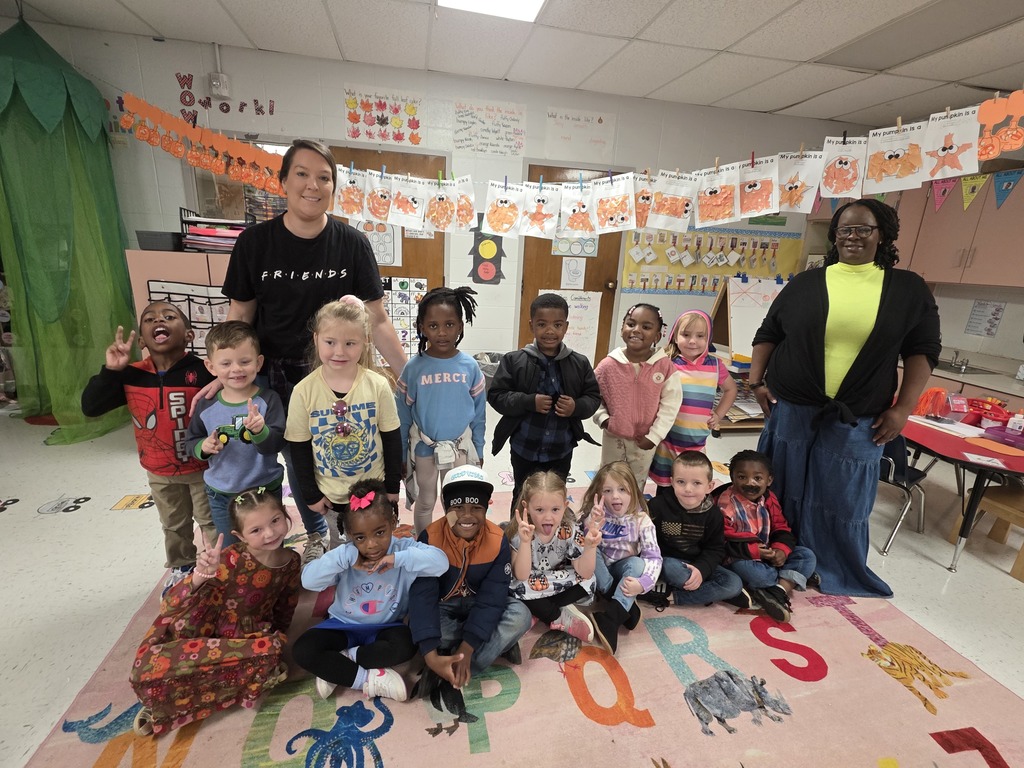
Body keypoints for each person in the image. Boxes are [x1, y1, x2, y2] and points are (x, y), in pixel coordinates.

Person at [212, 139, 408, 565]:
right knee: (289, 453)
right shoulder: (254, 242)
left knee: (348, 445)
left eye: (324, 177)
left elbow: (376, 319)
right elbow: (240, 313)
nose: (312, 185)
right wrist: (225, 371)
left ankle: (353, 526)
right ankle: (314, 532)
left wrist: (407, 373)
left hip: (340, 369)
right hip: (274, 372)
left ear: (333, 188)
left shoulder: (352, 243)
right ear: (282, 181)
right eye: (301, 173)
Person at [749, 198, 941, 598]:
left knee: (843, 496)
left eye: (863, 229)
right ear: (835, 236)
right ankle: (782, 557)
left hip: (861, 414)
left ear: (882, 234)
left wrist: (903, 409)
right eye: (845, 230)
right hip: (794, 409)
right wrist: (756, 382)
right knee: (782, 486)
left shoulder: (907, 289)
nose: (853, 237)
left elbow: (922, 351)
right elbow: (769, 334)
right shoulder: (806, 283)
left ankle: (832, 566)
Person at [129, 488, 301, 736]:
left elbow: (287, 605)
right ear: (239, 535)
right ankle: (165, 699)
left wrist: (278, 639)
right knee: (147, 664)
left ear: (285, 514)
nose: (271, 533)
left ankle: (174, 694)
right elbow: (169, 607)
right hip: (201, 629)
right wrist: (198, 577)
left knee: (271, 651)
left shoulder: (292, 561)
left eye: (275, 520)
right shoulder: (227, 559)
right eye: (256, 530)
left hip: (244, 635)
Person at [82, 301, 216, 590]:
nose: (160, 320)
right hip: (159, 470)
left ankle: (217, 566)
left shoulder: (204, 371)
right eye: (150, 318)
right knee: (174, 525)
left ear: (189, 335)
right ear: (142, 340)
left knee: (212, 522)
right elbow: (91, 407)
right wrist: (111, 371)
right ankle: (182, 569)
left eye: (170, 317)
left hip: (204, 467)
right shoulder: (130, 374)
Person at [294, 478, 448, 701]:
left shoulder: (404, 549)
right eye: (360, 537)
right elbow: (308, 581)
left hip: (385, 628)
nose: (371, 545)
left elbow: (440, 563)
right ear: (349, 534)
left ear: (393, 522)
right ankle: (367, 679)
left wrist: (398, 559)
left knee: (406, 645)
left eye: (379, 533)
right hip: (342, 625)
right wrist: (344, 557)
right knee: (303, 650)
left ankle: (339, 663)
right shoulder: (345, 555)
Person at [285, 298, 402, 557]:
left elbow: (392, 438)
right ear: (316, 339)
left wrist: (393, 486)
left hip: (376, 490)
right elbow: (299, 447)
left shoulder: (378, 385)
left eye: (350, 343)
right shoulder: (303, 392)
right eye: (330, 342)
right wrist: (311, 494)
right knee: (342, 549)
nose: (340, 352)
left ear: (364, 343)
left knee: (377, 543)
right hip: (332, 494)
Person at [409, 465, 532, 691]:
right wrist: (429, 655)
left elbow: (492, 598)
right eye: (458, 507)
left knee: (520, 616)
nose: (467, 515)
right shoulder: (430, 537)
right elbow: (422, 595)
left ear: (486, 509)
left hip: (480, 604)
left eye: (476, 507)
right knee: (417, 625)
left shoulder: (497, 540)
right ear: (446, 508)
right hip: (444, 607)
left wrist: (467, 647)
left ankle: (456, 669)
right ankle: (495, 644)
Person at [488, 292, 602, 515]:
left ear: (566, 327)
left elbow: (593, 397)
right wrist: (528, 401)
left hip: (561, 448)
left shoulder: (579, 362)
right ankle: (517, 537)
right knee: (523, 494)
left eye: (557, 324)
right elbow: (497, 396)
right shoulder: (514, 360)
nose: (550, 331)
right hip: (524, 447)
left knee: (555, 496)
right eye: (542, 324)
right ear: (532, 325)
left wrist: (576, 407)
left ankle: (553, 540)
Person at [185, 321, 286, 544]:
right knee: (230, 550)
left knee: (270, 543)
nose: (236, 369)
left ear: (258, 362)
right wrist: (204, 447)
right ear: (211, 367)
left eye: (244, 361)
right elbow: (190, 442)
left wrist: (260, 431)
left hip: (264, 489)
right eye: (226, 363)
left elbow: (275, 444)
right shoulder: (206, 404)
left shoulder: (269, 400)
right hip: (221, 493)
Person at [396, 287, 486, 534]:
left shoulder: (470, 367)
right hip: (425, 449)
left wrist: (479, 448)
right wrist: (403, 455)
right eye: (433, 326)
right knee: (426, 501)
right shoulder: (414, 369)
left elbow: (479, 414)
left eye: (449, 324)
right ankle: (424, 544)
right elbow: (403, 416)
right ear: (422, 327)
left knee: (455, 502)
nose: (442, 332)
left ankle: (454, 543)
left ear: (460, 327)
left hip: (459, 449)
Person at [717, 450, 817, 623]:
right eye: (742, 477)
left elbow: (781, 526)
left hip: (768, 552)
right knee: (753, 573)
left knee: (807, 555)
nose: (750, 483)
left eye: (757, 478)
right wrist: (755, 552)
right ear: (732, 477)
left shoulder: (769, 498)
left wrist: (781, 549)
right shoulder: (725, 504)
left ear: (769, 480)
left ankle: (777, 590)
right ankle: (786, 579)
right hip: (741, 556)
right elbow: (722, 540)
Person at [593, 303, 681, 489]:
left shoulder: (664, 367)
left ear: (657, 336)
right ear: (622, 328)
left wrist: (655, 435)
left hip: (645, 441)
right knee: (608, 478)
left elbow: (671, 405)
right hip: (613, 436)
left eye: (646, 327)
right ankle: (603, 512)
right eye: (631, 324)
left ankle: (632, 514)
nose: (636, 330)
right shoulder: (608, 365)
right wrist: (604, 420)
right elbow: (592, 395)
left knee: (635, 482)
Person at [649, 310, 738, 493]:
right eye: (686, 335)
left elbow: (731, 389)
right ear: (674, 335)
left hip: (697, 442)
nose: (692, 341)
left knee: (692, 488)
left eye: (700, 336)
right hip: (667, 441)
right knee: (666, 487)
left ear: (708, 338)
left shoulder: (715, 365)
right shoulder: (667, 362)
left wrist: (719, 414)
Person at [578, 461, 663, 654]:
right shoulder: (597, 514)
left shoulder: (642, 520)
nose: (615, 496)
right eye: (607, 490)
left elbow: (653, 558)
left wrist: (643, 584)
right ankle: (624, 607)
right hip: (599, 573)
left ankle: (611, 617)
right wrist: (592, 524)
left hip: (621, 571)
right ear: (599, 494)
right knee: (589, 547)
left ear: (633, 491)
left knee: (637, 563)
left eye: (622, 489)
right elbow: (584, 546)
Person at [507, 471, 601, 643]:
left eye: (555, 509)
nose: (548, 517)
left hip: (554, 580)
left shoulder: (569, 530)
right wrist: (526, 542)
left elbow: (585, 573)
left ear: (565, 506)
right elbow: (520, 576)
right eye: (540, 510)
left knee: (591, 579)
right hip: (530, 581)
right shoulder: (520, 533)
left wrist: (590, 547)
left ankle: (538, 609)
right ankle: (556, 616)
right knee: (516, 587)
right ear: (526, 507)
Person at [648, 451, 744, 610]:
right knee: (671, 567)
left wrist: (701, 569)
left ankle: (671, 596)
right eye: (681, 481)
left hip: (697, 563)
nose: (688, 489)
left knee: (734, 583)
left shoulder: (714, 515)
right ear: (672, 482)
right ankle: (712, 592)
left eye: (696, 483)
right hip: (668, 563)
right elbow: (649, 543)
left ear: (710, 486)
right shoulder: (657, 506)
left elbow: (715, 549)